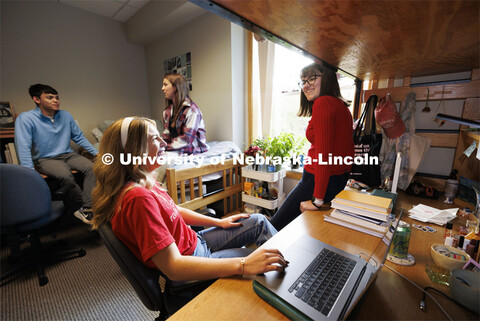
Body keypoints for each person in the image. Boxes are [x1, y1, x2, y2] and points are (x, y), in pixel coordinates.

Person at [90, 117, 287, 285]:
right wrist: (244, 264)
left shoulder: (145, 180)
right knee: (264, 264)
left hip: (196, 242)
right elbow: (174, 267)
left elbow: (173, 209)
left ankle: (293, 265)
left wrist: (219, 222)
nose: (163, 142)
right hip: (192, 261)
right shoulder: (137, 198)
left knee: (259, 222)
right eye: (154, 138)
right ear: (132, 150)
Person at [269, 63, 354, 231]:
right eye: (303, 81)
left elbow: (323, 155)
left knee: (273, 227)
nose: (306, 85)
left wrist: (318, 200)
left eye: (312, 78)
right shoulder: (342, 107)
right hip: (336, 180)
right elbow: (347, 150)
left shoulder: (323, 103)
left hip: (315, 181)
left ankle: (252, 257)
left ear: (328, 77)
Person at [14, 84, 98, 223]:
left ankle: (87, 209)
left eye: (57, 97)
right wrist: (30, 174)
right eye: (50, 97)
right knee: (66, 176)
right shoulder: (26, 118)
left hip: (68, 155)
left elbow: (78, 137)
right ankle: (82, 207)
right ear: (36, 99)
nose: (55, 100)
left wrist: (96, 153)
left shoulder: (65, 115)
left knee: (93, 168)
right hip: (45, 159)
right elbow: (23, 146)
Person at [161, 73, 209, 154]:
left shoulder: (192, 110)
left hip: (194, 148)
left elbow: (186, 140)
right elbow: (166, 135)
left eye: (165, 85)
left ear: (175, 87)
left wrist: (165, 147)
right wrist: (158, 145)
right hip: (177, 147)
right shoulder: (167, 112)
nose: (162, 88)